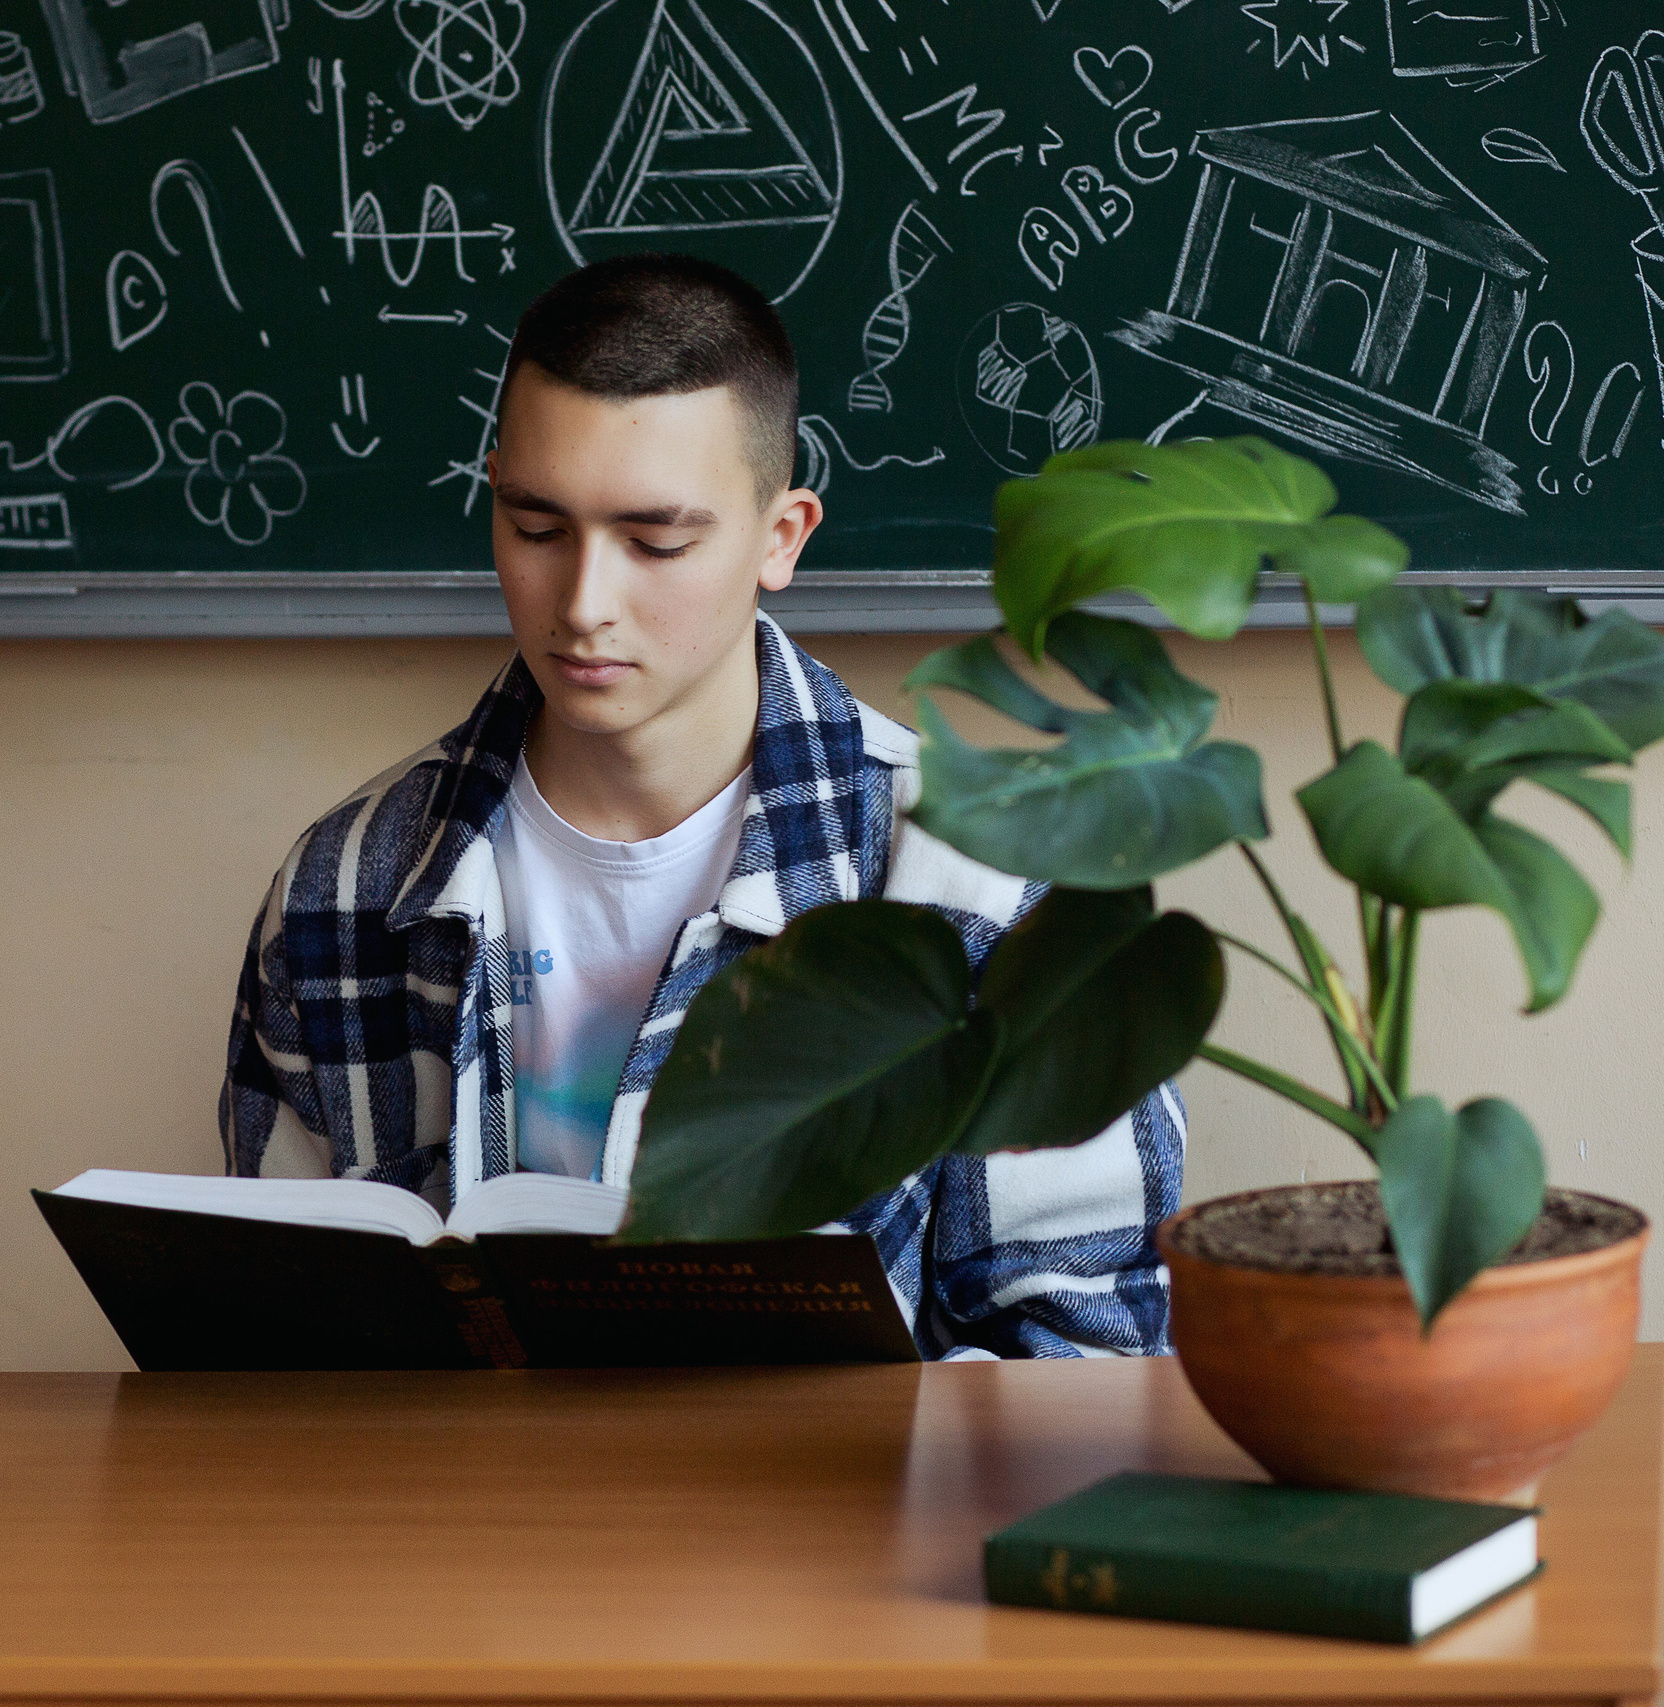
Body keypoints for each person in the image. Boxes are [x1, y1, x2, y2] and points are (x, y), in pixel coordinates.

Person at [218, 254, 1180, 1359]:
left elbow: (1082, 1371)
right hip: (448, 1526)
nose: (583, 605)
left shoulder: (995, 889)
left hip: (839, 1529)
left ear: (782, 537)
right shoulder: (342, 888)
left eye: (655, 542)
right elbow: (266, 1347)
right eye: (535, 529)